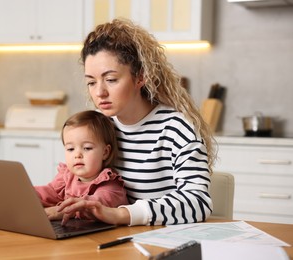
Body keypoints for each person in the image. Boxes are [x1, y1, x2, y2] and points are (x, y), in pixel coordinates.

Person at [57, 19, 217, 226]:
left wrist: (122, 214)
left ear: (140, 77)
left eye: (111, 80)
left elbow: (198, 202)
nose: (99, 92)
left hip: (159, 241)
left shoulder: (176, 128)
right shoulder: (100, 125)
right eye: (91, 82)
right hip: (108, 239)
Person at [34, 110, 129, 220]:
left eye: (87, 148)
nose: (77, 155)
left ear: (105, 152)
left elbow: (97, 204)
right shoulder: (66, 176)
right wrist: (27, 194)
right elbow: (48, 193)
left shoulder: (109, 184)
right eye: (70, 149)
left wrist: (63, 210)